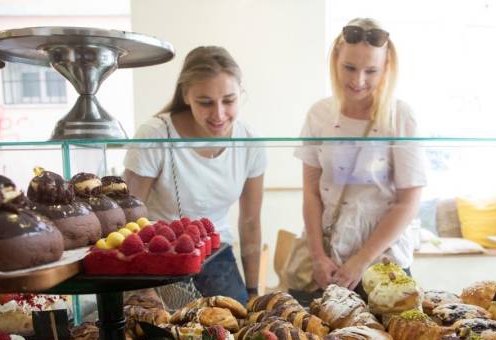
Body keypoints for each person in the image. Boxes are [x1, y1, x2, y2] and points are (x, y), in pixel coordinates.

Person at [290, 18, 426, 301]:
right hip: (326, 258)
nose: (358, 81)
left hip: (383, 260)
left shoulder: (401, 116)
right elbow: (312, 193)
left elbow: (408, 202)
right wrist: (317, 256)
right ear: (335, 61)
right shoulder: (320, 114)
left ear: (386, 68)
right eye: (349, 68)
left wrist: (362, 260)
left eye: (371, 71)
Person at [123, 46, 266, 305]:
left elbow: (250, 222)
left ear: (240, 94)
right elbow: (128, 219)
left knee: (233, 330)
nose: (219, 114)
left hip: (217, 253)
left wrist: (253, 292)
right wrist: (142, 288)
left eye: (229, 100)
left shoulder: (250, 141)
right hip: (157, 254)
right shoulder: (155, 134)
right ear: (186, 94)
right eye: (206, 102)